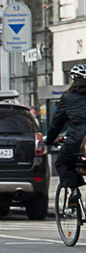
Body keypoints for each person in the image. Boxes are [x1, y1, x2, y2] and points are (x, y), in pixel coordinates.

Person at [46, 63, 86, 204]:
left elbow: (57, 122)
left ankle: (74, 190)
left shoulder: (68, 97)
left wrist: (49, 140)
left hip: (78, 138)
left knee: (62, 163)